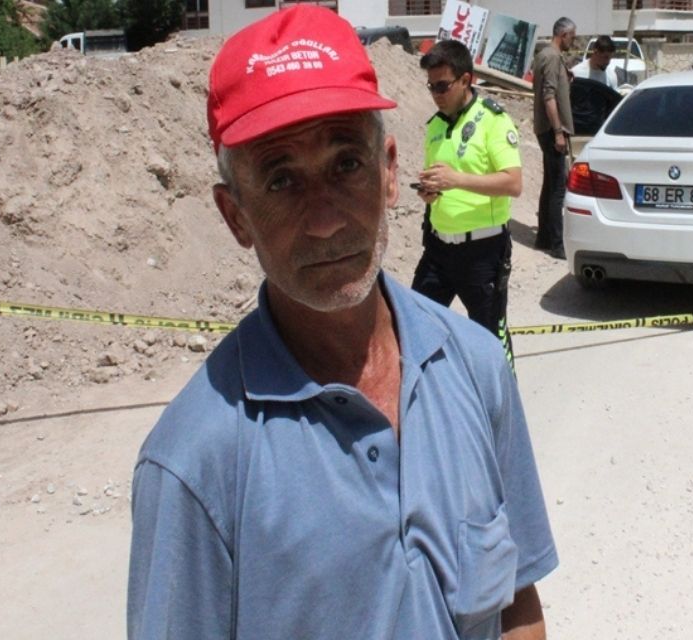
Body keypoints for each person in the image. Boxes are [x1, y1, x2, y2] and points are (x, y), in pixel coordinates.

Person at [127, 7, 558, 640]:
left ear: (389, 172)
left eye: (346, 165)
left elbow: (517, 603)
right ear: (235, 215)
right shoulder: (196, 464)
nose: (325, 219)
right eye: (281, 180)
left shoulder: (476, 367)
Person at [413, 39, 522, 368]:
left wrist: (456, 180)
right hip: (438, 249)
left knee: (490, 341)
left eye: (442, 86)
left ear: (465, 80)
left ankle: (503, 397)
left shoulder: (493, 121)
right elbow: (441, 182)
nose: (436, 94)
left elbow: (513, 183)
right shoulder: (435, 126)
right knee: (414, 325)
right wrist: (430, 193)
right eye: (431, 86)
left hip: (482, 253)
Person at [532, 16, 576, 260]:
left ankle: (544, 238)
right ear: (563, 35)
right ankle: (557, 244)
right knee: (558, 187)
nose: (573, 41)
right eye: (572, 36)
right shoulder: (550, 57)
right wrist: (558, 131)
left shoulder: (547, 56)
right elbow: (548, 96)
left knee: (550, 184)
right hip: (551, 130)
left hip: (547, 128)